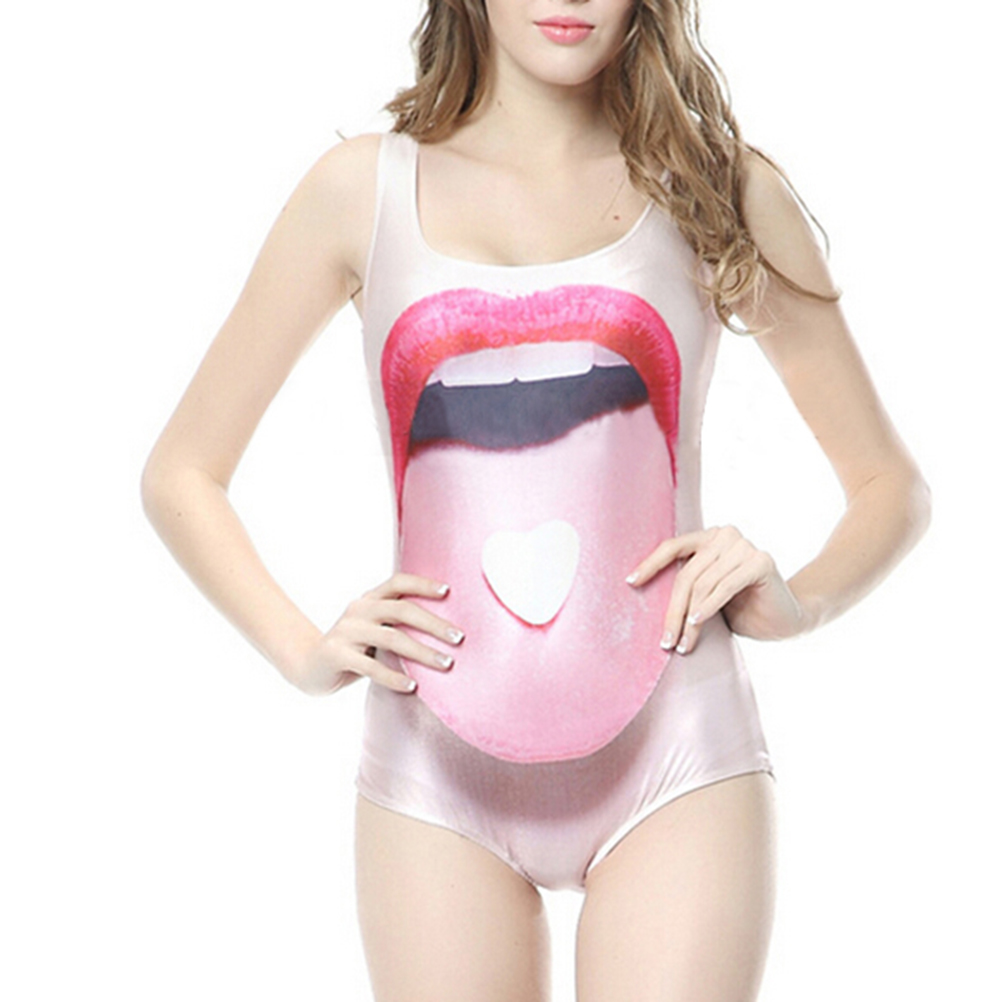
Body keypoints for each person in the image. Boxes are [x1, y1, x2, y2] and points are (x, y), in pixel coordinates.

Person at [140, 1, 932, 999]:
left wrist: (799, 600)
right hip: (432, 770)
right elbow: (182, 470)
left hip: (679, 753)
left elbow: (891, 487)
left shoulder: (718, 186)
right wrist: (302, 651)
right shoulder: (360, 192)